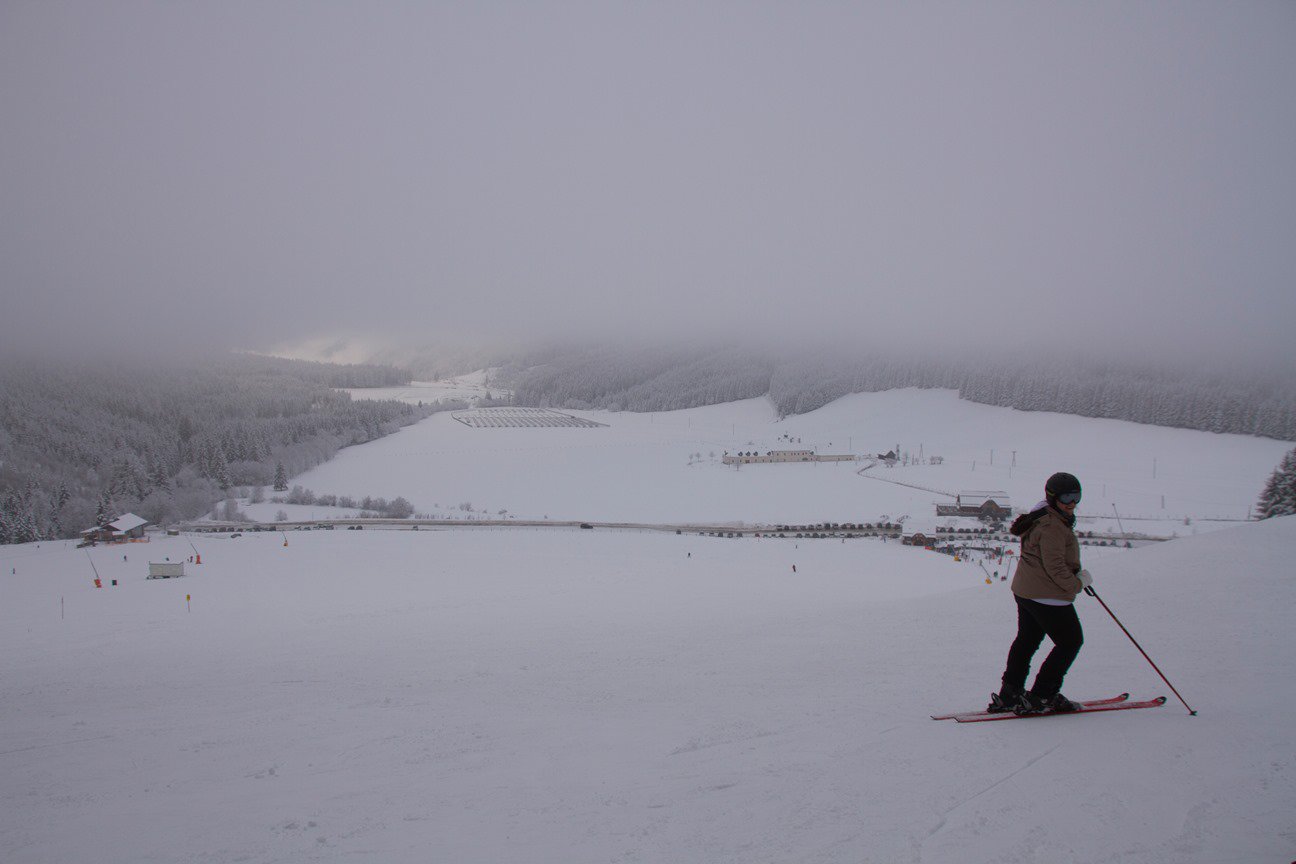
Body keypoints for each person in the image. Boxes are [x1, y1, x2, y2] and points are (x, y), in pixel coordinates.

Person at [987, 472, 1093, 715]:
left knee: (1027, 640)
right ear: (1053, 496)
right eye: (1067, 497)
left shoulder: (1041, 514)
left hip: (1026, 591)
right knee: (1070, 642)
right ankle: (1042, 696)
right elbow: (1054, 566)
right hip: (1047, 596)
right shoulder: (1052, 525)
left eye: (1077, 497)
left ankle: (1010, 693)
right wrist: (1078, 583)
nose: (1072, 503)